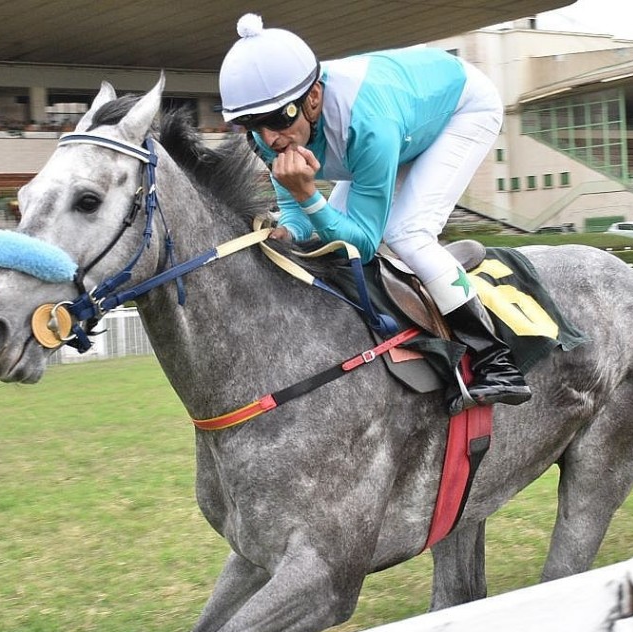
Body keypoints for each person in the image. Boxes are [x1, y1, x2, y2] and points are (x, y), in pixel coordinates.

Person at [218, 14, 531, 414]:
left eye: (280, 119)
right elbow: (298, 217)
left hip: (460, 108)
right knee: (326, 238)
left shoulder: (368, 125)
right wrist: (289, 229)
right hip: (401, 121)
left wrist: (310, 197)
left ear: (313, 97)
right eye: (251, 126)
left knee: (407, 233)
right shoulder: (270, 133)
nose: (270, 139)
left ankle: (496, 361)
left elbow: (364, 242)